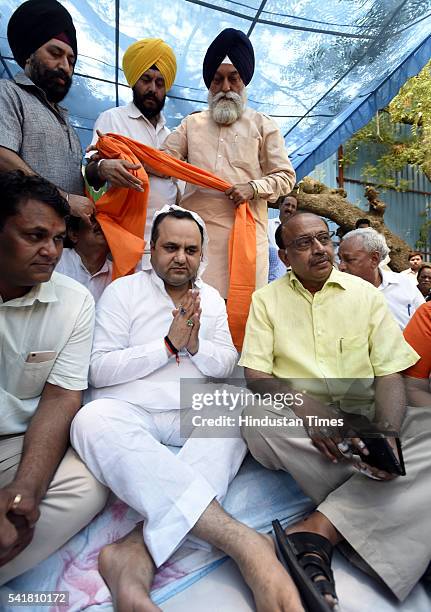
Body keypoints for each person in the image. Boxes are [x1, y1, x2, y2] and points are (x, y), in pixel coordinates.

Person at [70, 206, 303, 612]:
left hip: (187, 408)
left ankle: (136, 550)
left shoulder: (209, 298)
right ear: (152, 249)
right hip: (130, 408)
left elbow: (226, 362)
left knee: (236, 403)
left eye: (191, 250)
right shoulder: (123, 292)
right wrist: (166, 345)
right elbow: (97, 368)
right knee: (90, 420)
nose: (181, 257)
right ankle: (243, 542)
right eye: (171, 247)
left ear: (201, 254)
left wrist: (195, 344)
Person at [238, 212, 427, 611]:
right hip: (300, 424)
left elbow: (390, 374)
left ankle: (319, 531)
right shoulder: (266, 300)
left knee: (423, 428)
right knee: (255, 417)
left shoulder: (366, 296)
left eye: (324, 238)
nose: (320, 249)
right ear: (285, 256)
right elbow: (257, 376)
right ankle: (403, 511)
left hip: (364, 423)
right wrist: (308, 407)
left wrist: (388, 431)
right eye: (304, 243)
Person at [0, 171, 107, 585]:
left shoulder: (74, 301)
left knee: (88, 486)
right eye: (35, 236)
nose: (51, 251)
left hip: (17, 444)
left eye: (60, 239)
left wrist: (25, 490)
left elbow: (62, 398)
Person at [162, 28, 296, 297]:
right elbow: (162, 160)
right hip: (194, 244)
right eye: (217, 80)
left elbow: (286, 177)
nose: (225, 88)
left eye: (232, 79)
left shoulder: (262, 124)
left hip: (243, 242)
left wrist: (254, 188)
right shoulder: (192, 124)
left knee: (239, 319)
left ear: (243, 80)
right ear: (209, 84)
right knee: (192, 311)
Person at [0, 0, 94, 226]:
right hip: (23, 241)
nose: (65, 66)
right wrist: (64, 199)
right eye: (55, 53)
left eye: (71, 61)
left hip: (62, 245)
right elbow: (2, 157)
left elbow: (73, 179)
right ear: (29, 55)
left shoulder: (66, 120)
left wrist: (97, 171)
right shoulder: (9, 93)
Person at [85, 38, 178, 266]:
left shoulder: (172, 137)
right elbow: (89, 170)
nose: (152, 89)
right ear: (134, 81)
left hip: (166, 246)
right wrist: (102, 167)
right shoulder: (112, 118)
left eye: (159, 82)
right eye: (146, 80)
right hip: (122, 241)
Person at [338, 228, 424, 329]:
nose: (341, 267)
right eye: (340, 259)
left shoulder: (404, 283)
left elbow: (425, 320)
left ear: (374, 259)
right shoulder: (338, 295)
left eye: (349, 260)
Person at [55, 216, 112, 303]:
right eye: (92, 219)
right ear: (74, 234)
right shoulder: (55, 259)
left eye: (106, 220)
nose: (101, 224)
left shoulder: (118, 274)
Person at [268, 195, 297, 281]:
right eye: (287, 205)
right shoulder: (267, 225)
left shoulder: (298, 230)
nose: (290, 209)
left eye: (293, 207)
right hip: (271, 276)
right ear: (280, 206)